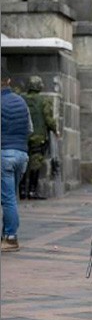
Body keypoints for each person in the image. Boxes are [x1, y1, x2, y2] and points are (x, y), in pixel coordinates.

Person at [1, 67, 31, 252]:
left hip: (4, 154)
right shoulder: (22, 102)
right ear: (9, 81)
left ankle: (11, 238)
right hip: (21, 154)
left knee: (8, 198)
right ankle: (7, 234)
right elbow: (29, 129)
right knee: (11, 196)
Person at [19, 76, 58, 200]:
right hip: (38, 137)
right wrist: (55, 129)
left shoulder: (21, 99)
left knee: (23, 164)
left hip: (24, 137)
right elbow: (48, 119)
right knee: (35, 164)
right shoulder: (44, 101)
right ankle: (32, 191)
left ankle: (22, 190)